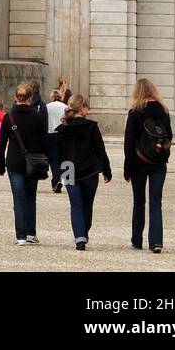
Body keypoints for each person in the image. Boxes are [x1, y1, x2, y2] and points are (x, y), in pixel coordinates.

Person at [56, 95, 112, 249]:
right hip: (89, 168)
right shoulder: (91, 127)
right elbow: (100, 150)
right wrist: (107, 170)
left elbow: (57, 154)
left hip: (68, 168)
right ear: (83, 108)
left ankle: (79, 237)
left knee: (76, 205)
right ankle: (84, 233)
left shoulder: (62, 129)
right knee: (87, 204)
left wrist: (57, 174)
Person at [0, 82, 48, 245]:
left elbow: (2, 143)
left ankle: (21, 235)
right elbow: (44, 142)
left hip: (14, 162)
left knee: (18, 199)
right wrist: (45, 162)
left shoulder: (8, 117)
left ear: (15, 98)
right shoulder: (38, 117)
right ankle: (31, 233)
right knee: (31, 197)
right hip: (33, 162)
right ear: (30, 98)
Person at [123, 77, 172, 253]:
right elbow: (169, 137)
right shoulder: (163, 111)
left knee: (139, 201)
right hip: (158, 161)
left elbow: (128, 143)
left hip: (138, 162)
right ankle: (156, 242)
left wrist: (127, 168)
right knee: (156, 201)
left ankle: (137, 240)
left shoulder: (135, 112)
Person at [45, 83, 69, 193]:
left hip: (51, 135)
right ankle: (68, 182)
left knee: (54, 160)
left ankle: (56, 181)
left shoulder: (47, 107)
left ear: (51, 97)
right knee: (65, 159)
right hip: (64, 134)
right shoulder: (66, 107)